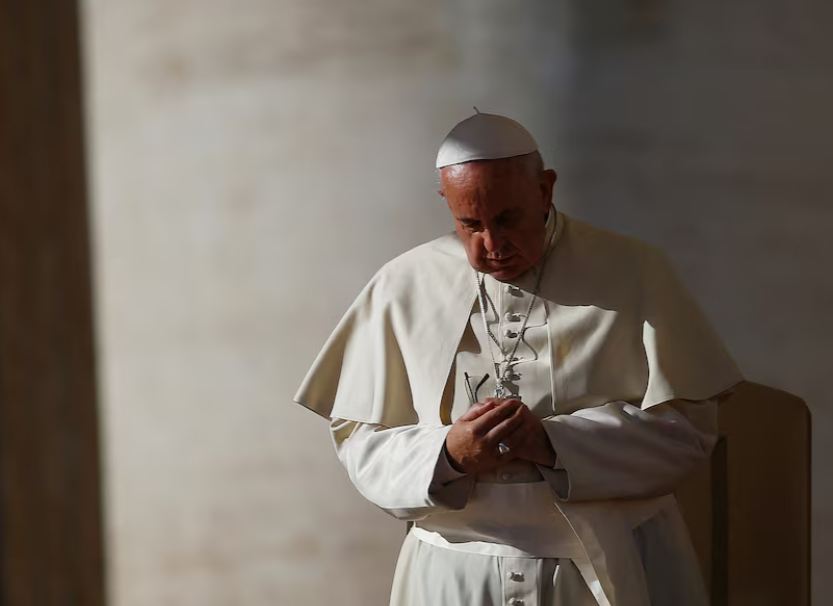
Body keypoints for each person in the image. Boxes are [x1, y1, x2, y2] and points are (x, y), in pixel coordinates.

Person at [293, 111, 742, 606]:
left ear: (546, 191)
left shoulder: (634, 271)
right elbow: (362, 444)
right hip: (456, 573)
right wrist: (449, 453)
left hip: (607, 563)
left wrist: (555, 443)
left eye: (507, 219)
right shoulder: (403, 285)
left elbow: (688, 431)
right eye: (470, 224)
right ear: (447, 204)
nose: (492, 244)